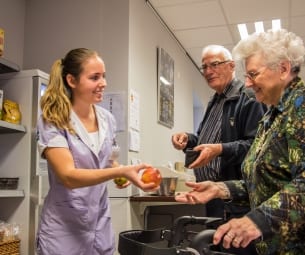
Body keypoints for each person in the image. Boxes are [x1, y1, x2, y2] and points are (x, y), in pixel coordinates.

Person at [175, 29, 305, 255]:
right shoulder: (271, 118)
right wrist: (220, 188)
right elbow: (265, 180)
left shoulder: (300, 110)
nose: (247, 83)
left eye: (253, 74)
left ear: (283, 69)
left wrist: (257, 220)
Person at [35, 48, 157, 255]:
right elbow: (68, 176)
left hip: (99, 224)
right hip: (64, 227)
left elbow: (109, 160)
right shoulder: (53, 119)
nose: (103, 83)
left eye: (104, 76)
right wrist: (119, 172)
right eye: (94, 77)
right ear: (72, 81)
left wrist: (123, 174)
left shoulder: (107, 119)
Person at [172, 45, 266, 254]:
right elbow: (206, 139)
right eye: (204, 67)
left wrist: (220, 149)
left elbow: (256, 146)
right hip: (213, 196)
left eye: (214, 64)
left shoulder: (248, 98)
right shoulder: (214, 101)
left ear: (231, 66)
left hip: (237, 199)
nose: (207, 71)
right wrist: (189, 139)